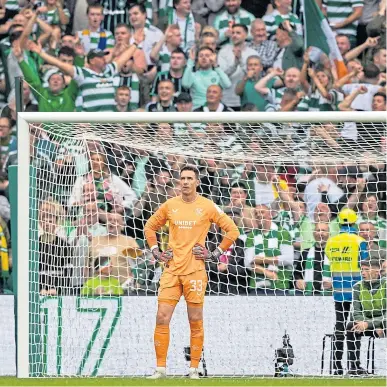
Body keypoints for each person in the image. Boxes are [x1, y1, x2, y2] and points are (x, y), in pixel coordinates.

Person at [144, 165, 239, 379]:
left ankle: (194, 369)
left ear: (197, 182)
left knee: (195, 319)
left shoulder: (207, 206)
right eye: (182, 178)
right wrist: (156, 251)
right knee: (161, 317)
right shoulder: (170, 205)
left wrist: (214, 254)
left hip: (195, 271)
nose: (185, 181)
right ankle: (160, 369)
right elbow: (149, 227)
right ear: (179, 182)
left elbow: (233, 230)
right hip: (171, 271)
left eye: (190, 178)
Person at [325, 208, 369, 375]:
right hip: (357, 291)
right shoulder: (359, 241)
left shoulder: (331, 241)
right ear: (354, 222)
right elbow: (364, 264)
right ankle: (354, 365)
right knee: (354, 327)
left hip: (338, 291)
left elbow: (329, 263)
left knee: (339, 327)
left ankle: (337, 366)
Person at [346, 257, 386, 376]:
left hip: (383, 324)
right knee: (350, 326)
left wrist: (371, 324)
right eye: (362, 270)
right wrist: (368, 324)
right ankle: (355, 366)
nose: (363, 273)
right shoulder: (357, 287)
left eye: (366, 269)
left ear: (377, 271)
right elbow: (356, 312)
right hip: (369, 326)